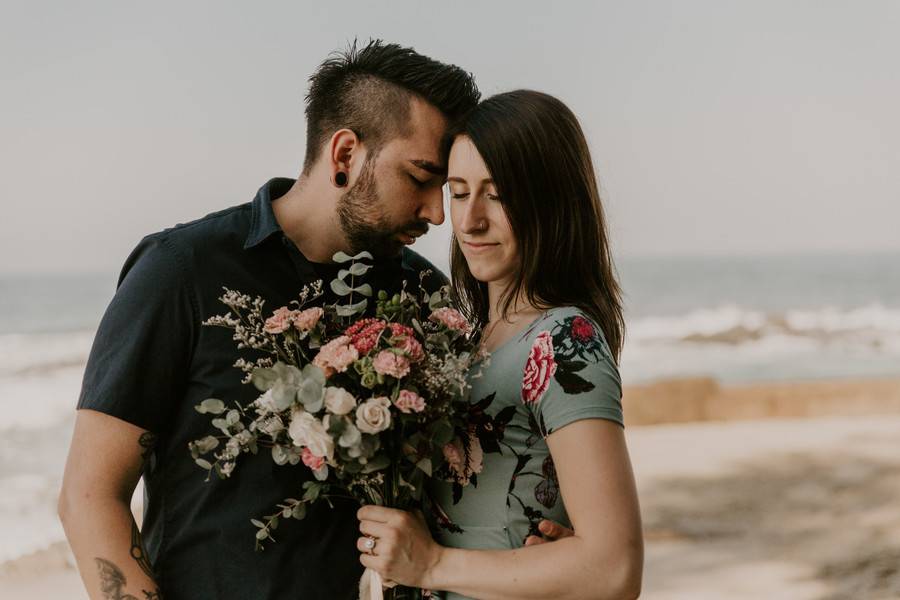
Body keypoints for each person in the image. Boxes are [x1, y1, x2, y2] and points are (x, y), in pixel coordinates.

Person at [57, 40, 481, 600]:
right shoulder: (182, 271)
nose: (436, 212)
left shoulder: (425, 295)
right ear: (345, 155)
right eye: (420, 177)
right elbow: (89, 497)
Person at [356, 90, 644, 599]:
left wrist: (433, 564)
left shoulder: (564, 340)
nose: (470, 222)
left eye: (499, 193)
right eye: (460, 192)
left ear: (551, 201)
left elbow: (615, 569)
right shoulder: (470, 338)